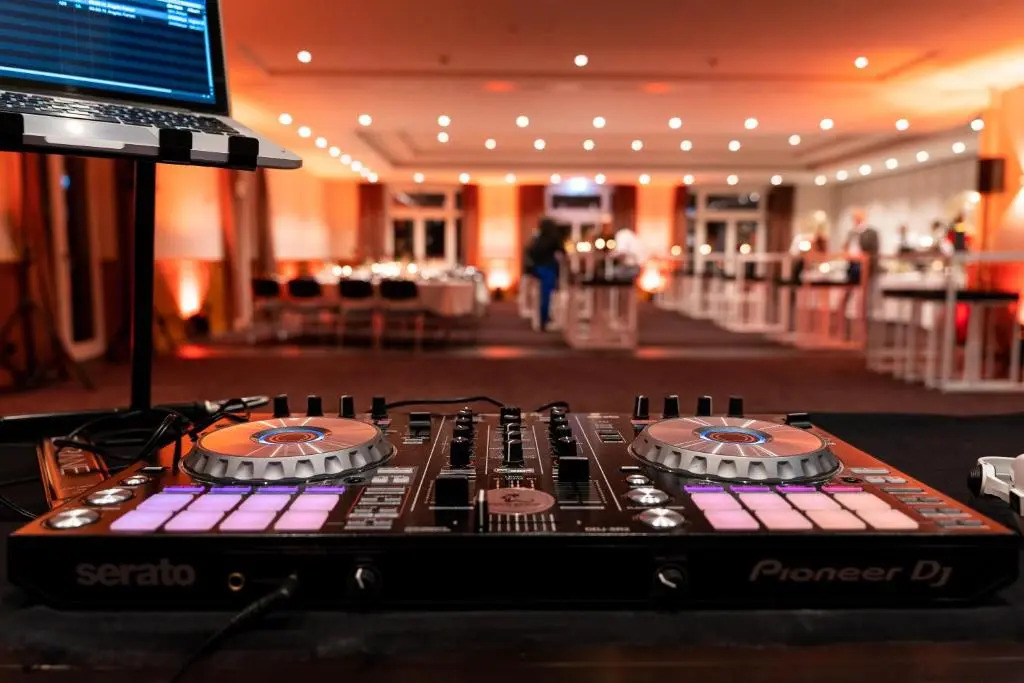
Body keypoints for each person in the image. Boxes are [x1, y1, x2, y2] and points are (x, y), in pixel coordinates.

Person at [526, 218, 566, 331]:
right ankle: (544, 319)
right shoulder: (554, 238)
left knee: (541, 295)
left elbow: (530, 252)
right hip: (548, 269)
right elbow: (562, 252)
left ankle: (542, 318)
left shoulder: (537, 238)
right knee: (547, 295)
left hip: (537, 270)